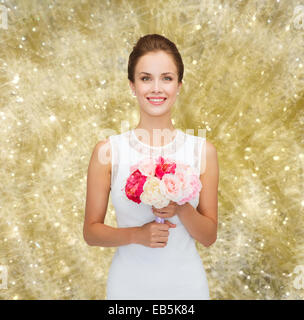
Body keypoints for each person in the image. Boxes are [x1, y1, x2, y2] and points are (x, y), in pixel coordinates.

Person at [83, 34, 219, 300]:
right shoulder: (108, 151)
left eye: (166, 78)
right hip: (128, 289)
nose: (156, 88)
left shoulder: (203, 151)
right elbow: (91, 232)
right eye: (146, 78)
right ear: (132, 86)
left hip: (187, 288)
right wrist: (137, 234)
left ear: (179, 85)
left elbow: (209, 236)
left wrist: (181, 207)